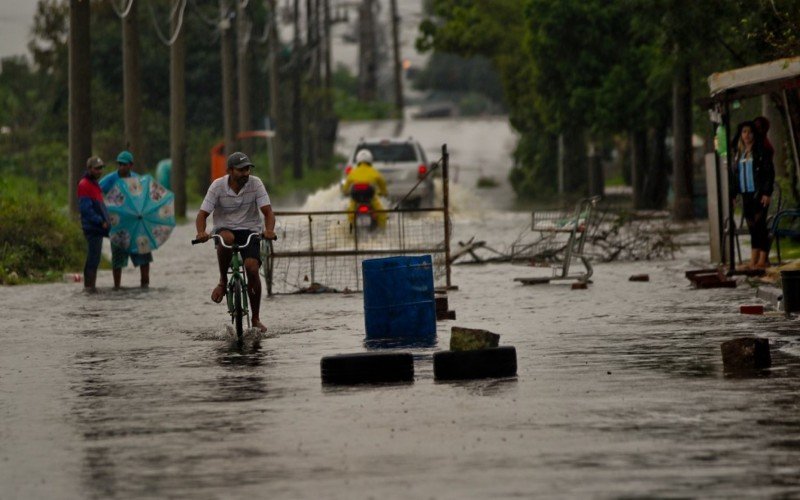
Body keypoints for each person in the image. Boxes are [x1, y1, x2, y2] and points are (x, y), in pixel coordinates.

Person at [194, 152, 276, 333]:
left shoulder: (256, 184)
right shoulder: (217, 186)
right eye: (241, 170)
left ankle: (255, 318)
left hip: (250, 230)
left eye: (247, 169)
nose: (246, 173)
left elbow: (268, 213)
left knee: (252, 268)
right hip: (225, 229)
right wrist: (201, 232)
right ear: (230, 171)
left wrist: (269, 230)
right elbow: (202, 215)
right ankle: (223, 281)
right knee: (227, 238)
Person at [99, 150, 152, 289]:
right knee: (117, 260)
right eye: (120, 164)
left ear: (131, 165)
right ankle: (117, 287)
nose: (121, 167)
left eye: (124, 164)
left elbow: (146, 197)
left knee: (144, 257)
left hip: (138, 225)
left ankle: (145, 284)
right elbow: (97, 192)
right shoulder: (110, 179)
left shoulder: (138, 180)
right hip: (118, 226)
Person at [731, 120, 775, 269]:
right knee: (752, 227)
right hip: (746, 194)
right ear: (741, 134)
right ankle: (753, 260)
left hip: (759, 194)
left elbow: (769, 173)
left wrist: (767, 192)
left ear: (754, 134)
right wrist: (733, 195)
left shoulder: (761, 151)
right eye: (744, 132)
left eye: (749, 132)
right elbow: (735, 175)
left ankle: (763, 260)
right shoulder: (739, 153)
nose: (747, 135)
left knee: (760, 225)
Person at [77, 156, 110, 293]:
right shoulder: (84, 184)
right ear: (89, 169)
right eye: (96, 168)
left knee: (95, 259)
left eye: (101, 168)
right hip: (93, 227)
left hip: (99, 228)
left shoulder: (95, 184)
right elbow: (86, 210)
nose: (99, 171)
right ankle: (89, 288)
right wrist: (100, 221)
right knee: (93, 258)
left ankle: (91, 288)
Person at [341, 149, 389, 228]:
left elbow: (346, 186)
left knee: (351, 213)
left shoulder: (353, 172)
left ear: (358, 160)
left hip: (356, 198)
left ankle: (352, 230)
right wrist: (384, 192)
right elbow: (382, 183)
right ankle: (382, 232)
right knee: (381, 213)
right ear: (370, 160)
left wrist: (345, 192)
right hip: (370, 197)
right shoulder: (374, 172)